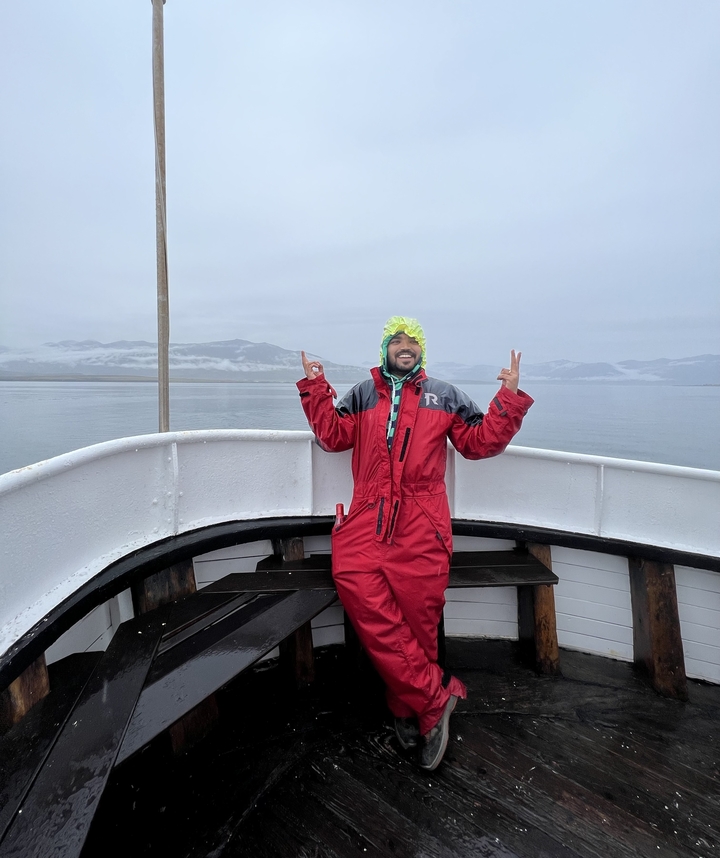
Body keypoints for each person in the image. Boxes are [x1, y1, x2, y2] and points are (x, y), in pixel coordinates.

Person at [297, 316, 533, 770]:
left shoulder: (444, 395)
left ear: (421, 350)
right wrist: (316, 388)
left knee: (417, 627)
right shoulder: (364, 394)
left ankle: (408, 713)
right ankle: (435, 698)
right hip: (367, 517)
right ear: (385, 348)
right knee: (352, 581)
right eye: (397, 341)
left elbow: (480, 443)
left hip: (422, 524)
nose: (405, 347)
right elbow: (332, 436)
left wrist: (507, 398)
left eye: (412, 342)